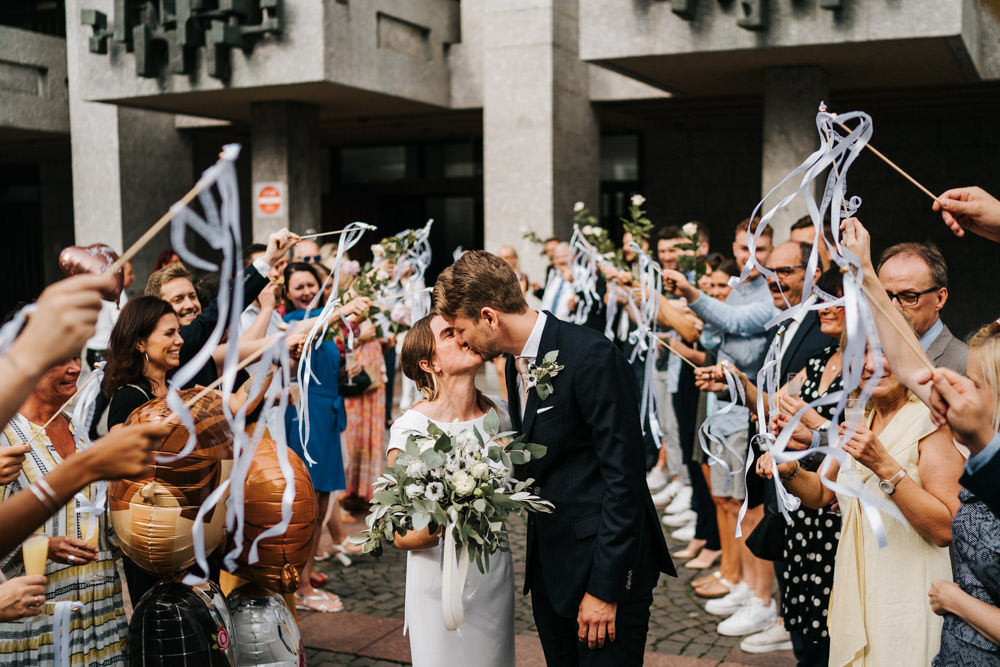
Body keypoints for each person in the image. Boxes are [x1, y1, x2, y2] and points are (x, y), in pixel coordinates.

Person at [434, 250, 674, 666]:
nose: (458, 341)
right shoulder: (513, 364)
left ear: (490, 316)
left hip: (603, 569)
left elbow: (625, 479)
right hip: (551, 568)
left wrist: (604, 589)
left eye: (459, 329)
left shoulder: (591, 355)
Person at [759, 347, 963, 666]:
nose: (870, 365)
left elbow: (946, 529)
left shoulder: (929, 422)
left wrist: (884, 466)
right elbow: (821, 494)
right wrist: (788, 471)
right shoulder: (859, 415)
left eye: (883, 352)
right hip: (856, 584)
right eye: (860, 353)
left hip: (907, 591)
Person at [388, 312, 516, 666]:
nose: (463, 336)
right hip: (436, 576)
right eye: (449, 334)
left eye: (462, 329)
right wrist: (450, 508)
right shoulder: (411, 429)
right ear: (429, 363)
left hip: (492, 570)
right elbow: (400, 534)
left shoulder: (502, 416)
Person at [0, 357, 136, 664]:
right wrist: (40, 546)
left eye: (76, 357)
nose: (75, 368)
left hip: (101, 619)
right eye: (60, 360)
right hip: (41, 630)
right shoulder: (6, 440)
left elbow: (107, 533)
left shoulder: (82, 433)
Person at [281, 262, 370, 612]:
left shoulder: (329, 324)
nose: (304, 291)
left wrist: (347, 369)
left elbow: (328, 364)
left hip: (328, 415)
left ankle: (307, 573)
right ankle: (299, 586)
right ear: (287, 293)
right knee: (306, 502)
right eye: (298, 286)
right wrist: (341, 310)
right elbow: (309, 329)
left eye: (310, 285)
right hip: (305, 417)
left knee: (321, 502)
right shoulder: (291, 323)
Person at [875, 242, 967, 373]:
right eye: (885, 296)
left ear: (940, 299)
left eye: (908, 296)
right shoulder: (866, 359)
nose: (893, 306)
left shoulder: (966, 366)